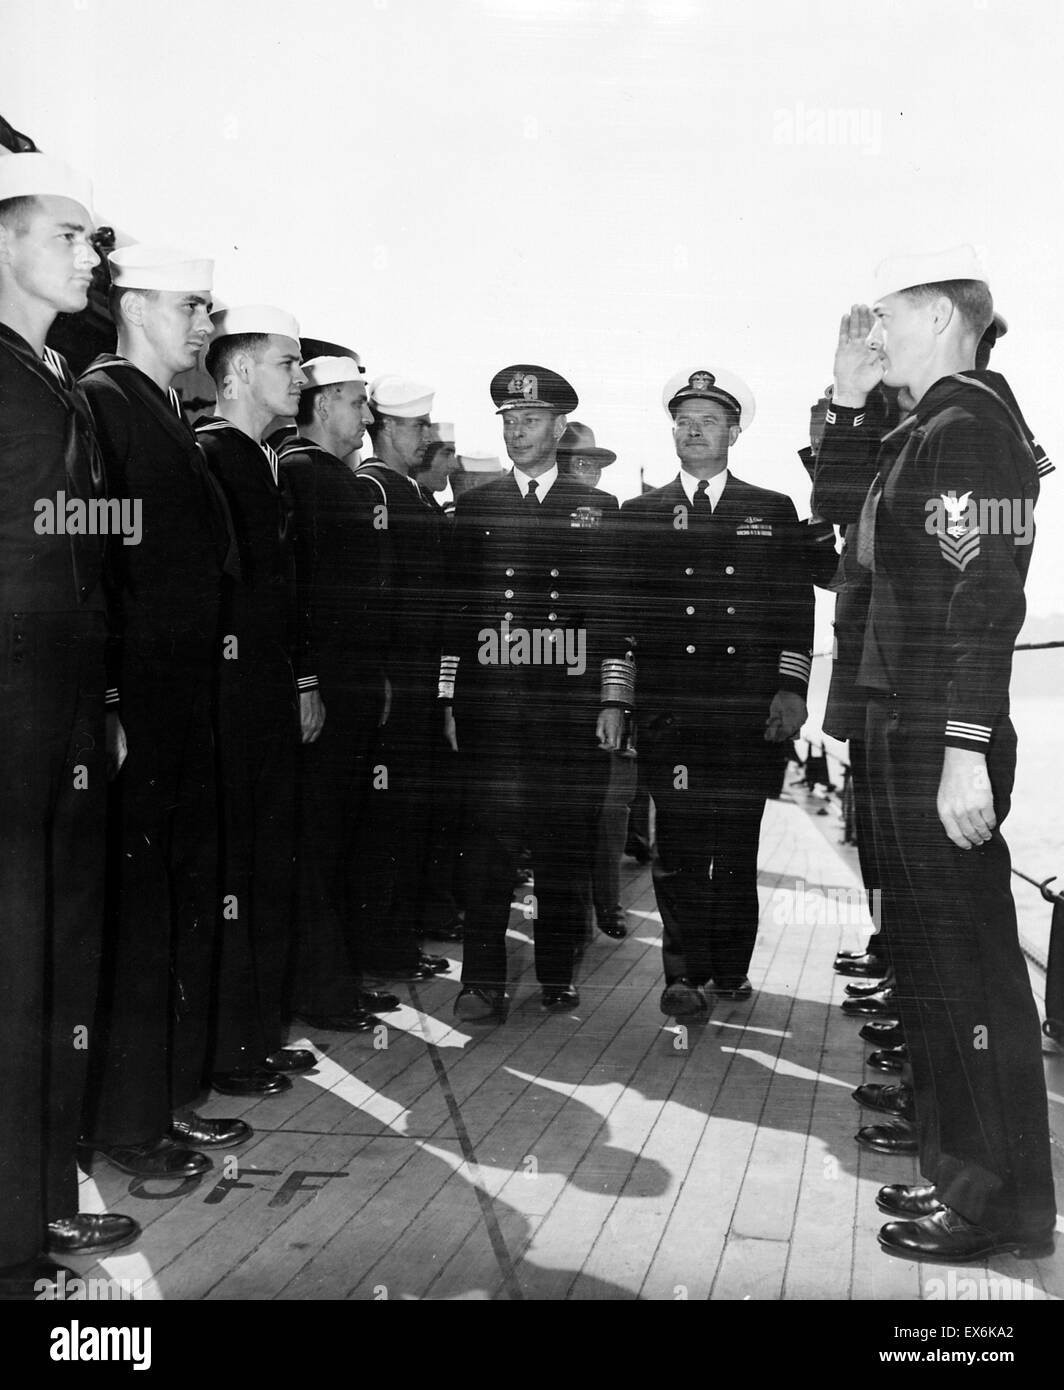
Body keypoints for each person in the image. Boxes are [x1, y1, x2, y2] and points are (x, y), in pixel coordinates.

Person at [835, 245, 1055, 1262]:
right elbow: (855, 545)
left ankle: (993, 1201)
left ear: (934, 319)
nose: (870, 338)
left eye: (881, 321)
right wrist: (845, 397)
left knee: (966, 971)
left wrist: (964, 747)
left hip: (937, 731)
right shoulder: (924, 430)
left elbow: (984, 597)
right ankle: (950, 1164)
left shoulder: (966, 432)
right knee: (927, 963)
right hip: (901, 724)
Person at [79, 244, 249, 1179]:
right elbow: (90, 558)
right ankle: (124, 1127)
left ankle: (162, 1104)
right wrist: (106, 696)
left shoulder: (163, 414)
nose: (206, 327)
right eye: (192, 306)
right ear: (137, 306)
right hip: (136, 705)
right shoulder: (105, 404)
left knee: (171, 908)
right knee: (135, 917)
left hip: (179, 701)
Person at [0, 152, 138, 1298]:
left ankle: (37, 1202)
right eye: (70, 237)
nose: (93, 257)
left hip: (55, 709)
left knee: (45, 964)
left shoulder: (45, 376)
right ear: (7, 245)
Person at [620, 367, 813, 1018]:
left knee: (734, 845)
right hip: (672, 715)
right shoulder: (640, 515)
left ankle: (729, 966)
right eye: (683, 421)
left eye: (707, 421)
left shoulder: (771, 509)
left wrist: (791, 688)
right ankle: (683, 975)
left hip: (743, 716)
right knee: (677, 849)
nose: (693, 431)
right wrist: (619, 700)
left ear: (734, 431)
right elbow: (620, 620)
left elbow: (794, 609)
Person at [440, 364, 631, 1022]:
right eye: (509, 421)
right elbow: (455, 612)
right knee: (487, 848)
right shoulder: (478, 503)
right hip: (494, 706)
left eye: (530, 420)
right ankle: (482, 981)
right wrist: (449, 698)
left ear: (559, 428)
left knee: (564, 843)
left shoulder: (599, 511)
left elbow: (612, 616)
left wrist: (613, 700)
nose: (518, 431)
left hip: (570, 709)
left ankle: (555, 970)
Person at [196, 305, 318, 1094]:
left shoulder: (259, 457)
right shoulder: (212, 453)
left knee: (268, 866)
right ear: (240, 372)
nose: (301, 379)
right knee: (234, 875)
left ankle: (257, 1034)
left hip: (266, 694)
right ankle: (231, 1048)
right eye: (288, 364)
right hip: (230, 699)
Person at [278, 354, 394, 1030]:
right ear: (322, 405)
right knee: (318, 843)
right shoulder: (300, 474)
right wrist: (310, 681)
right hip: (322, 690)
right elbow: (300, 589)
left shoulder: (337, 480)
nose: (367, 417)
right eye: (356, 402)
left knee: (345, 838)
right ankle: (319, 992)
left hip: (350, 687)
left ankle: (339, 979)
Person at [354, 377, 453, 983]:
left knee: (408, 819)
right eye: (419, 426)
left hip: (417, 685)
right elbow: (372, 598)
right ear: (388, 428)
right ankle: (378, 948)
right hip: (391, 685)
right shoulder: (374, 491)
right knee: (383, 823)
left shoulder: (411, 496)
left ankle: (397, 939)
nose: (427, 436)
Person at [558, 421, 635, 942]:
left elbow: (626, 619)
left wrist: (622, 698)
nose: (588, 476)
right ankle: (575, 915)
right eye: (579, 465)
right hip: (559, 693)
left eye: (594, 467)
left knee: (611, 813)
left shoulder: (613, 521)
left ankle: (604, 905)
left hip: (610, 693)